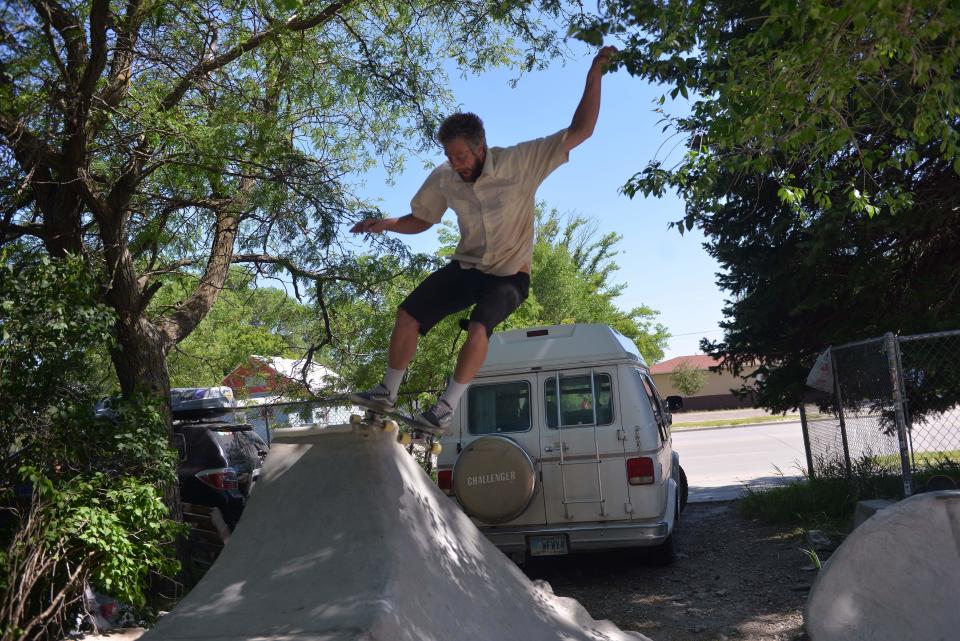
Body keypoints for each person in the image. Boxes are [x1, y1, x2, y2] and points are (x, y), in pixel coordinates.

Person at [349, 45, 618, 433]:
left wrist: (594, 74)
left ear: (480, 148)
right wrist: (386, 223)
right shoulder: (444, 176)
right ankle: (387, 392)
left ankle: (446, 407)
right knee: (408, 315)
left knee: (479, 328)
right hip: (468, 267)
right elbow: (422, 219)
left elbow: (581, 131)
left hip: (510, 275)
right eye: (448, 155)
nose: (455, 165)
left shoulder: (521, 161)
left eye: (460, 156)